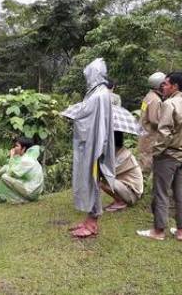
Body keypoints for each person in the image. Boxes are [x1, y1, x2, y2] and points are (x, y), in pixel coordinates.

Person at [137, 71, 182, 242]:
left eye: (165, 84)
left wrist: (157, 152)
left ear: (175, 86)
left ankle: (158, 231)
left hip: (168, 155)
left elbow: (164, 133)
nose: (162, 87)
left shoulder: (170, 104)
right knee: (179, 192)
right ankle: (181, 232)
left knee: (161, 192)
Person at [61, 58, 116, 239]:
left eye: (88, 74)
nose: (87, 78)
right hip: (89, 144)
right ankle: (89, 220)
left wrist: (76, 114)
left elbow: (88, 119)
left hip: (94, 145)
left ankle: (92, 224)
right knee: (89, 181)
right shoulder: (97, 92)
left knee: (92, 181)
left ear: (95, 74)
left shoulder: (99, 95)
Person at [0, 137, 44, 203]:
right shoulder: (25, 157)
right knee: (9, 176)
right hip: (33, 191)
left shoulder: (26, 160)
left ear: (23, 149)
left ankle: (23, 200)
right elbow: (7, 167)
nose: (14, 148)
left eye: (17, 146)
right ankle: (23, 199)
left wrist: (11, 156)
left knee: (5, 177)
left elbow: (10, 172)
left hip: (31, 192)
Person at [99, 132, 143, 212]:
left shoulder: (123, 156)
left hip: (132, 195)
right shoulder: (118, 152)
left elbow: (105, 173)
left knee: (103, 181)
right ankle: (119, 200)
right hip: (128, 189)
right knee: (102, 179)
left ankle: (121, 202)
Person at [138, 72, 165, 173]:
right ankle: (141, 186)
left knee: (143, 160)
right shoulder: (155, 100)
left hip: (144, 134)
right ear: (160, 85)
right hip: (150, 137)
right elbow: (154, 120)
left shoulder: (148, 96)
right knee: (147, 164)